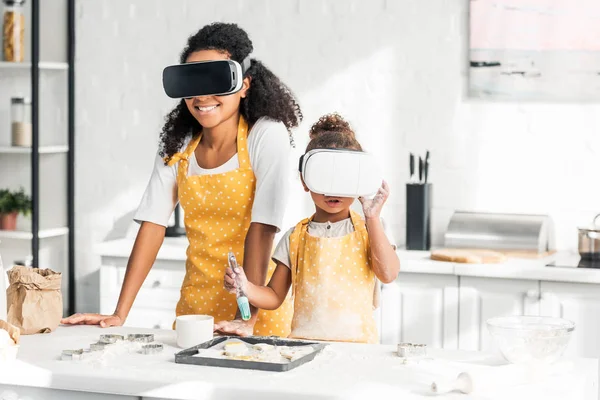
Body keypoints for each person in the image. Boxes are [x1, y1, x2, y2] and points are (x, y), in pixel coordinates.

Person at [61, 22, 302, 337]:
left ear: (244, 85)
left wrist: (247, 317)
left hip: (255, 307)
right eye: (193, 81)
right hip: (196, 308)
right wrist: (120, 314)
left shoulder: (265, 134)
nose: (202, 96)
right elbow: (152, 225)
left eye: (216, 80)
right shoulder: (180, 142)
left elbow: (262, 229)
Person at [218, 113, 400, 343]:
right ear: (305, 180)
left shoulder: (372, 228)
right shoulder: (295, 237)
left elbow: (388, 274)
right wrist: (246, 286)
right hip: (303, 347)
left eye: (343, 178)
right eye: (323, 176)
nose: (332, 190)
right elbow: (274, 297)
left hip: (357, 351)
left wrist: (372, 218)